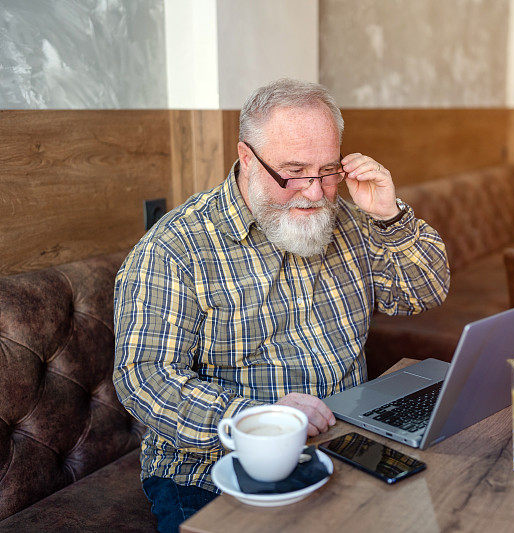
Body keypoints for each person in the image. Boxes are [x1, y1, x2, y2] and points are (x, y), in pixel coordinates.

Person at [113, 78, 450, 532]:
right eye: (294, 172)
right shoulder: (175, 249)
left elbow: (424, 291)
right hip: (214, 471)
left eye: (328, 171)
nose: (314, 193)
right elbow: (143, 377)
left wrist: (388, 217)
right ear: (248, 158)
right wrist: (255, 420)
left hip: (342, 445)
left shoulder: (347, 220)